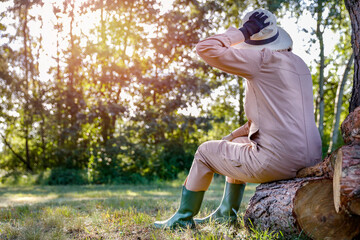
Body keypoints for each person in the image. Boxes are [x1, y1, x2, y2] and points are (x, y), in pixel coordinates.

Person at [153, 8, 322, 229]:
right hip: (311, 159)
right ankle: (226, 213)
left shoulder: (262, 59)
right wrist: (230, 137)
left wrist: (244, 31)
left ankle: (183, 219)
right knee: (237, 144)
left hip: (278, 161)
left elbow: (205, 48)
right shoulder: (299, 64)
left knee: (204, 152)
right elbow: (268, 120)